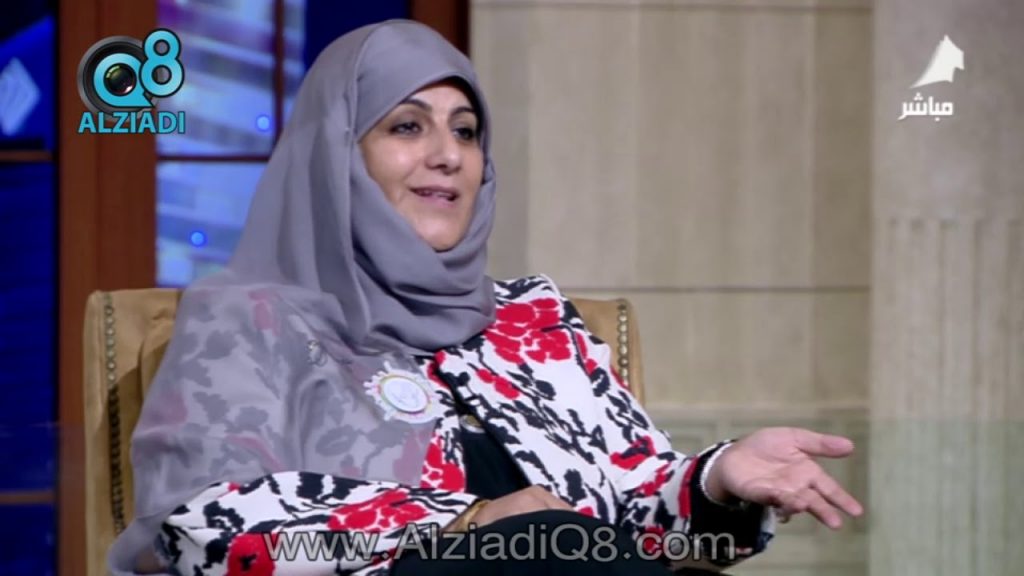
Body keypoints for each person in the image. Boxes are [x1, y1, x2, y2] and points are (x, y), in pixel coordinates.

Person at [107, 19, 863, 576]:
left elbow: (641, 520)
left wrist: (716, 480)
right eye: (408, 126)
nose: (448, 155)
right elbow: (204, 524)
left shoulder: (532, 320)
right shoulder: (247, 320)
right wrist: (473, 522)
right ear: (337, 156)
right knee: (553, 543)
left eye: (467, 132)